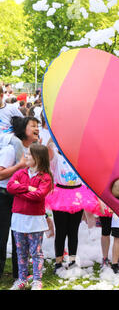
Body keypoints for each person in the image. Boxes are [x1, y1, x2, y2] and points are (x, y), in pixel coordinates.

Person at [45, 141, 99, 273]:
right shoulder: (57, 158)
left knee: (73, 230)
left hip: (78, 195)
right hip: (60, 196)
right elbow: (48, 149)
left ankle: (73, 260)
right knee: (61, 231)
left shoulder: (81, 159)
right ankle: (58, 262)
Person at [7, 143, 53, 290]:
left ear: (38, 158)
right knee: (21, 251)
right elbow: (9, 187)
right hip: (18, 219)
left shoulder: (45, 177)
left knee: (36, 252)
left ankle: (37, 280)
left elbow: (38, 195)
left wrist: (19, 191)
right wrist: (27, 187)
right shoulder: (21, 173)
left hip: (35, 220)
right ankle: (22, 279)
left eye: (29, 154)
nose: (25, 156)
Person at [0, 116, 40, 282]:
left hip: (21, 197)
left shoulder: (33, 150)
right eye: (33, 125)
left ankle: (20, 275)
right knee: (1, 238)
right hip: (4, 197)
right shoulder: (10, 149)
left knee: (21, 237)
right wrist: (19, 166)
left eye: (38, 125)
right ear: (24, 130)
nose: (37, 128)